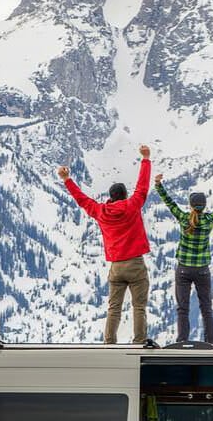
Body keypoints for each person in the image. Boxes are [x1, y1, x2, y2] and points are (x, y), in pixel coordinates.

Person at [58, 146, 152, 344]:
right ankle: (139, 341)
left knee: (114, 307)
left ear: (111, 197)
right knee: (139, 306)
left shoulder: (100, 211)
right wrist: (145, 159)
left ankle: (109, 342)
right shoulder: (132, 205)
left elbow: (82, 200)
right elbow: (142, 187)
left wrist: (67, 180)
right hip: (135, 263)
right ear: (125, 195)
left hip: (116, 267)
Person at [155, 171, 213, 346]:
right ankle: (211, 341)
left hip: (183, 270)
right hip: (202, 270)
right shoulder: (209, 219)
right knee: (206, 308)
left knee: (182, 308)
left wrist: (158, 185)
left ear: (190, 205)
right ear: (204, 206)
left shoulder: (184, 218)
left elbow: (169, 202)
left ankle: (182, 340)